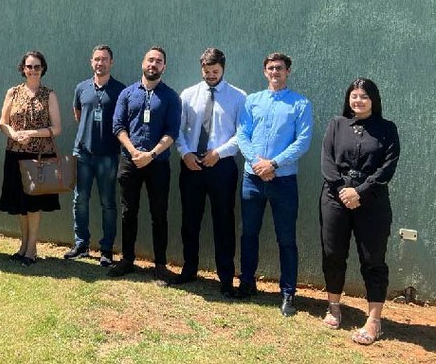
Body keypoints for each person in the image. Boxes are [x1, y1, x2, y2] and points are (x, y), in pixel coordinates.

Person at [320, 78, 399, 345]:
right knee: (333, 253)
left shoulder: (387, 129)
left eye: (364, 96)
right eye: (354, 96)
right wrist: (343, 190)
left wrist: (360, 192)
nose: (358, 100)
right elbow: (327, 161)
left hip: (372, 202)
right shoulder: (336, 124)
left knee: (373, 259)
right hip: (334, 198)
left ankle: (374, 321)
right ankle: (333, 307)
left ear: (373, 100)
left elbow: (387, 167)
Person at [236, 52, 313, 317]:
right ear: (264, 71)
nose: (274, 72)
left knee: (286, 238)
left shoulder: (300, 104)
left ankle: (288, 293)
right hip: (252, 178)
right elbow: (242, 134)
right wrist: (257, 163)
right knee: (249, 233)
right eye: (270, 68)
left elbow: (302, 141)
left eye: (279, 68)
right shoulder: (252, 101)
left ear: (288, 71)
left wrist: (274, 164)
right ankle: (247, 283)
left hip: (284, 181)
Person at [171, 48, 246, 297]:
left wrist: (219, 153)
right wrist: (185, 153)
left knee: (223, 222)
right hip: (192, 164)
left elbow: (242, 134)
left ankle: (226, 278)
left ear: (223, 68)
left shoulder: (238, 97)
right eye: (207, 71)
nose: (211, 75)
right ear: (201, 69)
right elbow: (177, 129)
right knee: (190, 221)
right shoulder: (188, 94)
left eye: (215, 71)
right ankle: (189, 269)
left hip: (221, 166)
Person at [108, 46, 180, 285]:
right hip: (129, 162)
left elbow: (172, 131)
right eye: (150, 60)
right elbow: (118, 126)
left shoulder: (171, 96)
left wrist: (152, 154)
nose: (153, 64)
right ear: (143, 63)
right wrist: (134, 152)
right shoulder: (127, 93)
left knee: (159, 214)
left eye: (158, 61)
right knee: (128, 212)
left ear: (164, 67)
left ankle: (160, 266)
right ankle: (127, 259)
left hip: (158, 164)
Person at [0, 50, 62, 267]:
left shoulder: (49, 95)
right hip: (15, 154)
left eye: (37, 66)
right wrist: (14, 134)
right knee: (20, 203)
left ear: (42, 69)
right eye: (29, 66)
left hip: (39, 157)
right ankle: (23, 246)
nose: (33, 70)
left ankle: (32, 249)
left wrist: (31, 133)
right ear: (23, 69)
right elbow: (3, 123)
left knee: (33, 204)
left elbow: (57, 128)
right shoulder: (13, 92)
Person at [64, 44, 126, 267]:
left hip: (108, 155)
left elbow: (123, 121)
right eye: (97, 59)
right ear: (92, 62)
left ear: (111, 62)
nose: (100, 63)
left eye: (104, 59)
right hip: (83, 154)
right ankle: (81, 245)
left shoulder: (120, 90)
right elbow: (78, 114)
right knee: (80, 200)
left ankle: (106, 249)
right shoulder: (81, 88)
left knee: (108, 202)